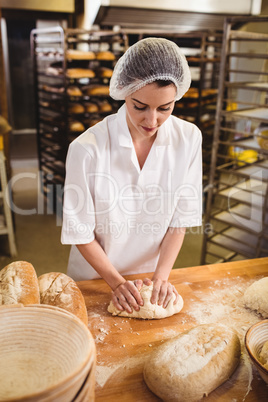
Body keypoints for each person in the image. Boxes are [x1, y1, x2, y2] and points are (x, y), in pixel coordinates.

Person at [61, 37, 202, 314]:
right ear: (124, 91)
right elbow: (80, 231)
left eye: (165, 108)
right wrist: (116, 282)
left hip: (150, 275)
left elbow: (180, 219)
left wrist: (161, 277)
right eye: (140, 107)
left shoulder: (188, 138)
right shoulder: (87, 149)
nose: (152, 121)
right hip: (95, 276)